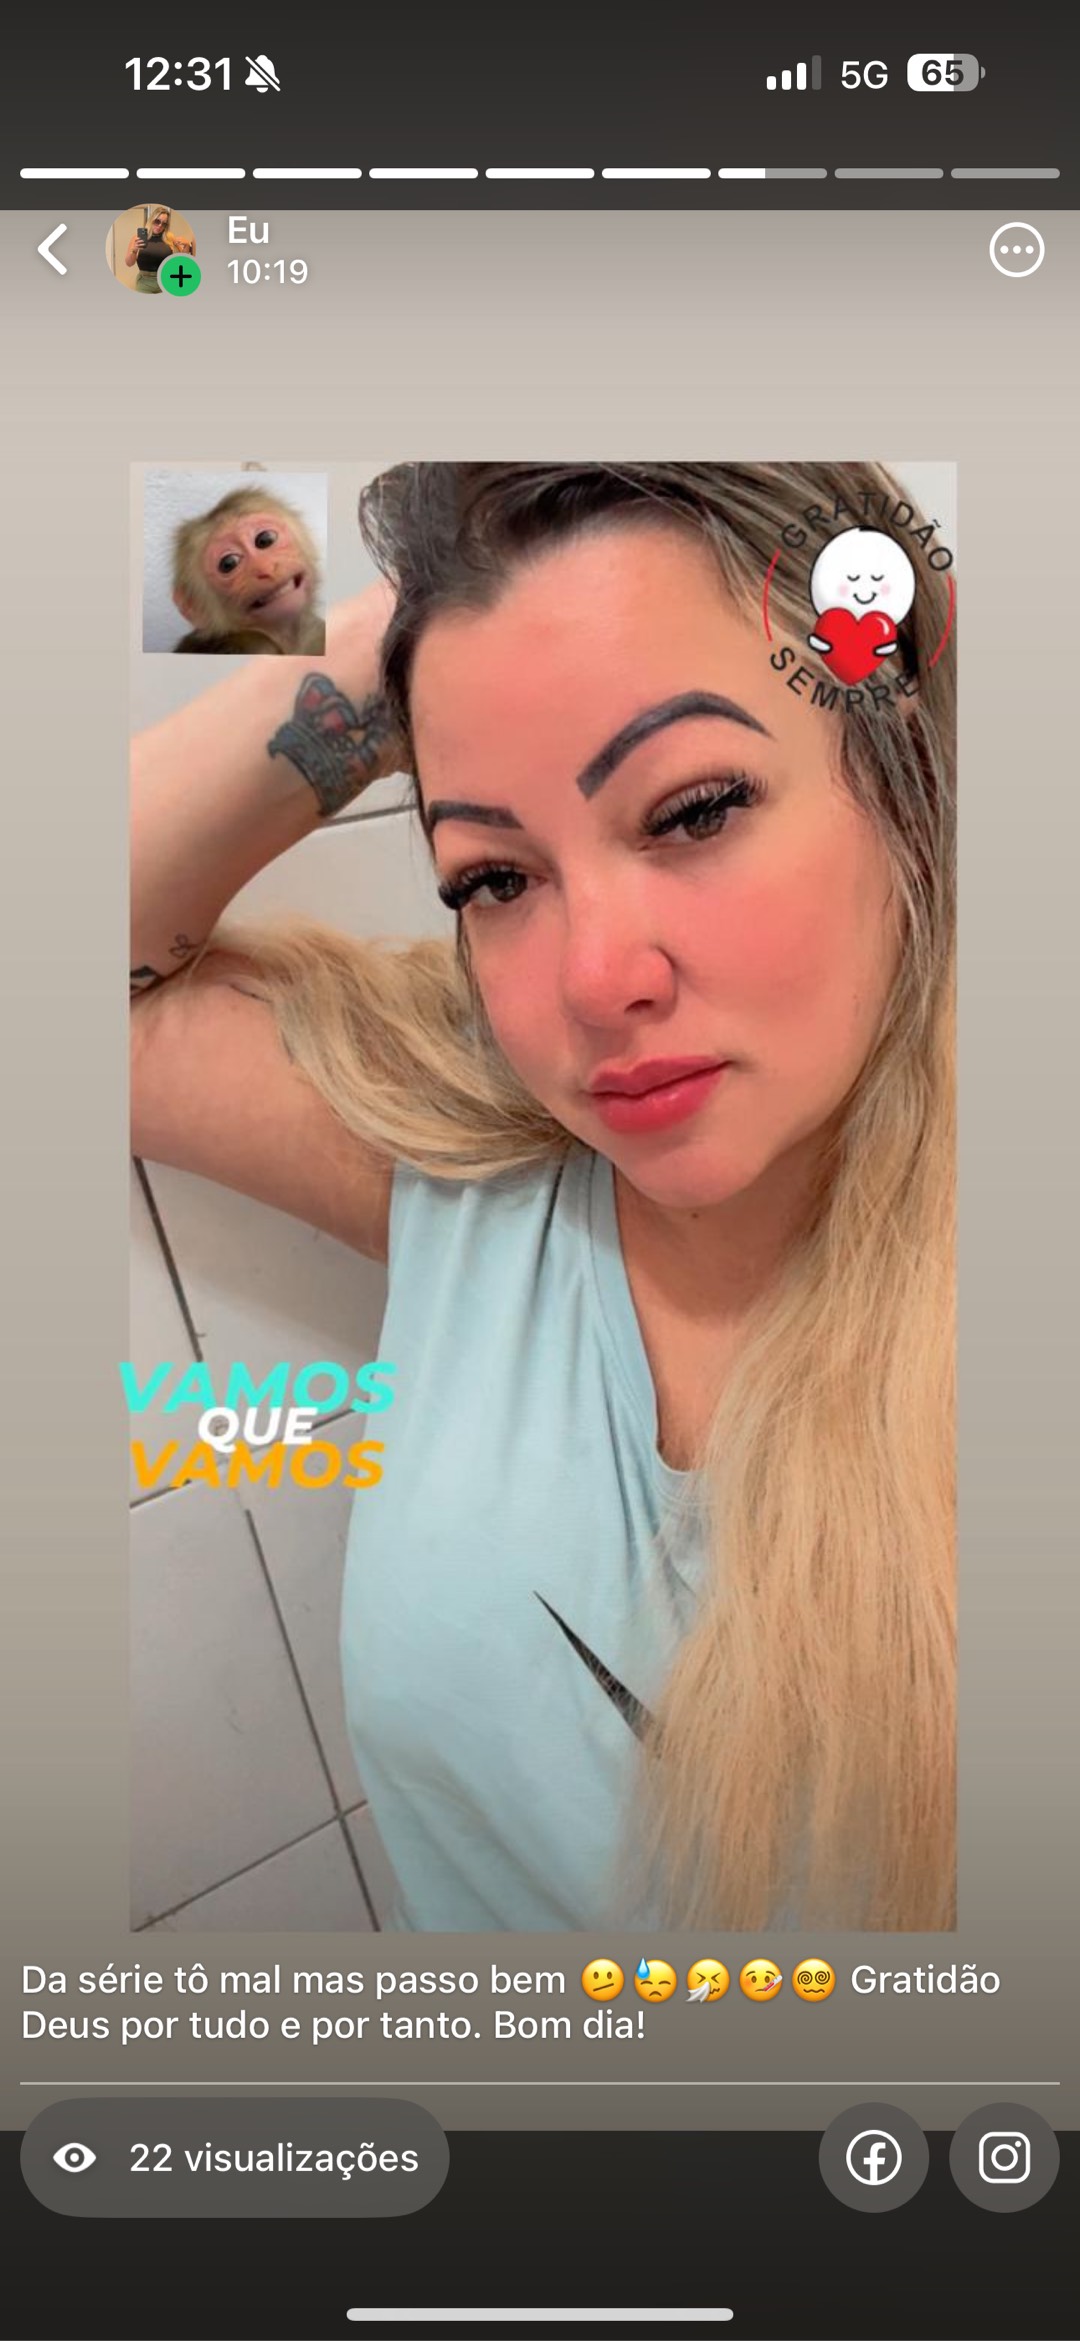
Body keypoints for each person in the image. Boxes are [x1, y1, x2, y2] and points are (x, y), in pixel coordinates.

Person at [130, 462, 956, 1933]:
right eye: (492, 880)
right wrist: (406, 644)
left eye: (693, 809)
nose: (592, 979)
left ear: (910, 784)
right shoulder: (478, 1179)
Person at [123, 205, 190, 294]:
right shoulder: (137, 238)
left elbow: (183, 260)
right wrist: (134, 250)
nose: (160, 225)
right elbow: (129, 263)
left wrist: (186, 245)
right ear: (152, 219)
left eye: (164, 224)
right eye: (157, 221)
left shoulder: (169, 237)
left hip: (166, 281)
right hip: (144, 283)